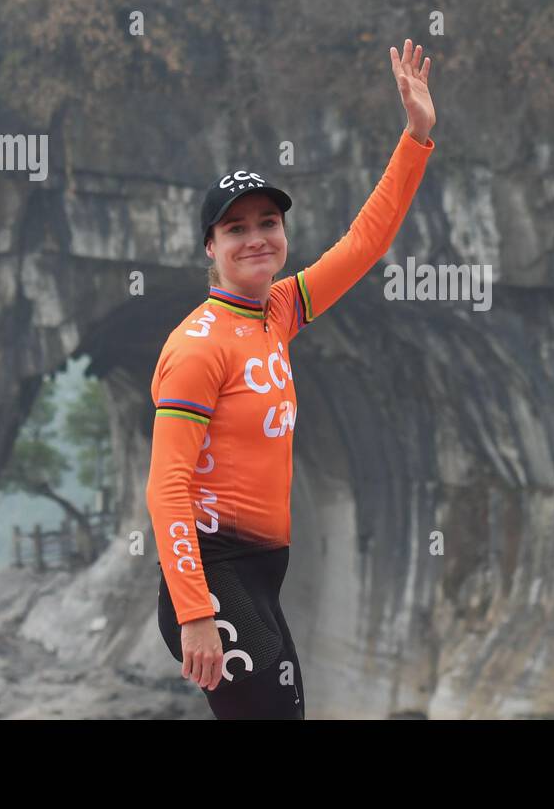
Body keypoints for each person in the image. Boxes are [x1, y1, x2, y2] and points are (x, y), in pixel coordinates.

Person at [145, 39, 436, 718]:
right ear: (210, 247)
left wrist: (416, 136)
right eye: (236, 229)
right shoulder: (197, 346)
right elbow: (166, 487)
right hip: (214, 579)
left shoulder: (276, 311)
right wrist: (194, 614)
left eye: (268, 224)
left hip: (258, 576)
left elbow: (366, 242)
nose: (257, 239)